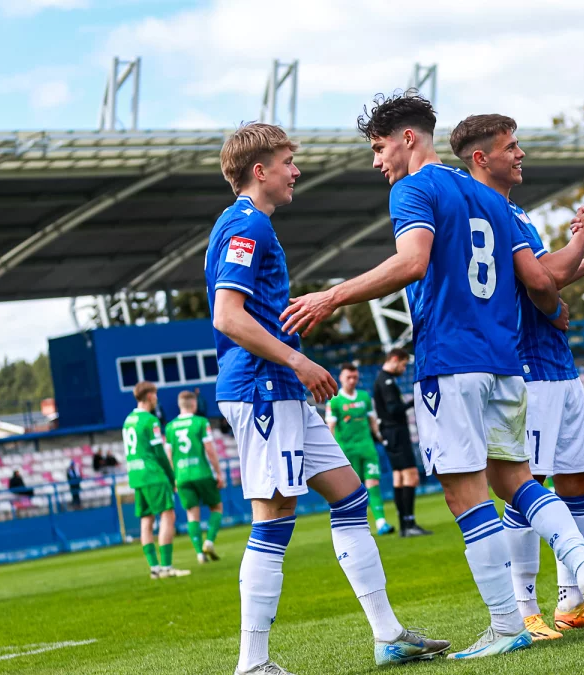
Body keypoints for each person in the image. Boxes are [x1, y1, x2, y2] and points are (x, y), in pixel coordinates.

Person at [281, 94, 584, 658]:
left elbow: (412, 262)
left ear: (408, 138)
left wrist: (331, 296)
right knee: (517, 482)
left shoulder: (414, 188)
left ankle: (506, 625)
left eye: (379, 147)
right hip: (506, 363)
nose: (377, 161)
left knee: (466, 497)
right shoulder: (489, 196)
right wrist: (575, 268)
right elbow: (537, 280)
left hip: (450, 361)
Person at [206, 122, 448, 674]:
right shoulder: (247, 225)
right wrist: (297, 360)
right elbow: (227, 316)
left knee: (351, 496)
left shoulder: (247, 224)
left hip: (279, 388)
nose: (296, 171)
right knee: (274, 515)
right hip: (262, 389)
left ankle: (388, 635)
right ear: (259, 171)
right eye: (287, 162)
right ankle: (253, 664)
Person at [450, 113, 584, 640]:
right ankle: (525, 606)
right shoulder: (485, 210)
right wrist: (583, 238)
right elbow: (540, 282)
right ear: (481, 158)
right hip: (525, 367)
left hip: (558, 365)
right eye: (510, 146)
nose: (520, 153)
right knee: (526, 486)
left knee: (577, 479)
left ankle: (572, 601)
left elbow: (544, 276)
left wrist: (580, 265)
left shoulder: (515, 211)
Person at [123, 382, 190, 579]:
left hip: (136, 476)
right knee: (168, 515)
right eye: (155, 394)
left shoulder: (128, 420)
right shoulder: (150, 420)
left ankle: (154, 568)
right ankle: (167, 567)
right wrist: (172, 477)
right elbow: (160, 453)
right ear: (150, 396)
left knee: (146, 520)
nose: (157, 398)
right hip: (153, 474)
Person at [327, 364, 393, 536]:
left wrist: (381, 438)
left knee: (373, 483)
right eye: (348, 377)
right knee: (352, 491)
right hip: (347, 451)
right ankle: (356, 528)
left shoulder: (364, 397)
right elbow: (330, 426)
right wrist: (331, 450)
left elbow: (373, 422)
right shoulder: (335, 400)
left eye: (355, 377)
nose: (352, 381)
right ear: (341, 378)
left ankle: (381, 523)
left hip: (367, 448)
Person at [371, 349, 431, 537]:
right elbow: (394, 409)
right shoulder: (386, 381)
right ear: (395, 359)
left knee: (399, 477)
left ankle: (404, 525)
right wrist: (413, 401)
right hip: (396, 432)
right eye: (403, 365)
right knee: (411, 476)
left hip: (390, 434)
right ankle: (409, 523)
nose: (404, 369)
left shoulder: (382, 379)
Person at [166, 390, 225, 565]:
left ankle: (199, 554)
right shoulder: (201, 422)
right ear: (194, 404)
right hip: (202, 472)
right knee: (216, 507)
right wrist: (218, 472)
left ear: (179, 405)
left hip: (182, 476)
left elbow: (169, 456)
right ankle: (209, 542)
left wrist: (173, 477)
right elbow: (210, 450)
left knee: (192, 514)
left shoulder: (170, 427)